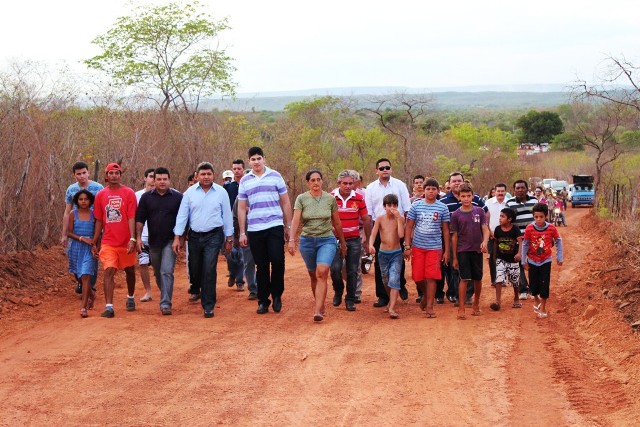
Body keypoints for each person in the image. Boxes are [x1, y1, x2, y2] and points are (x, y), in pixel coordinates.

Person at [173, 162, 233, 318]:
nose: (206, 177)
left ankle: (208, 305)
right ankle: (196, 287)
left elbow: (227, 216)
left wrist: (229, 238)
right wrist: (177, 236)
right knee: (195, 268)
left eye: (209, 174)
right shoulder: (189, 193)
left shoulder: (221, 192)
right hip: (194, 236)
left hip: (214, 235)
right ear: (197, 176)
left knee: (209, 268)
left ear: (213, 175)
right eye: (203, 174)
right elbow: (182, 216)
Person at [238, 147, 293, 315]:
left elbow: (285, 202)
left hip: (274, 225)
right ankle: (263, 301)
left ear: (264, 159)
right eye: (253, 159)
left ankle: (277, 295)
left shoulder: (276, 176)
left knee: (277, 260)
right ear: (249, 161)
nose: (256, 162)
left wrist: (288, 226)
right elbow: (241, 208)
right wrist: (242, 232)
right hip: (255, 228)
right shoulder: (245, 180)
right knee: (261, 265)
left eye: (259, 158)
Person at [288, 170, 347, 321]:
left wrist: (343, 242)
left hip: (326, 240)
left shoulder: (329, 199)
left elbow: (337, 222)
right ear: (308, 182)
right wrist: (291, 240)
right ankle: (320, 304)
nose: (316, 183)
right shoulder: (301, 199)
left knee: (322, 272)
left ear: (322, 181)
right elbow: (295, 220)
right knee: (313, 275)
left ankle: (317, 311)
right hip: (307, 241)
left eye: (318, 180)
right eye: (312, 180)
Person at [91, 163, 138, 318]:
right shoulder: (100, 195)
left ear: (120, 175)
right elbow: (99, 220)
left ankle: (130, 296)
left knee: (130, 271)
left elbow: (131, 216)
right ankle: (109, 307)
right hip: (108, 242)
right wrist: (95, 241)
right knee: (109, 270)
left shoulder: (129, 193)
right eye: (111, 173)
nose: (114, 176)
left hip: (126, 241)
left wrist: (133, 238)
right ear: (106, 175)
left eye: (117, 173)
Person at [136, 167, 183, 316]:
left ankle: (165, 304)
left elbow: (183, 220)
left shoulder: (178, 197)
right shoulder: (146, 198)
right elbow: (140, 220)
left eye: (165, 179)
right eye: (159, 179)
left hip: (171, 240)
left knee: (166, 271)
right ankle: (166, 293)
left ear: (169, 180)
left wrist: (179, 238)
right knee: (157, 272)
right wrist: (137, 238)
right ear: (153, 180)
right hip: (153, 241)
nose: (162, 182)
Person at [365, 158, 411, 307]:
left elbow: (407, 208)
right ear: (376, 170)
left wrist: (406, 228)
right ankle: (383, 295)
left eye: (387, 167)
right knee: (380, 263)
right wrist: (370, 236)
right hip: (380, 228)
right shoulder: (371, 187)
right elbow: (369, 212)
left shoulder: (400, 185)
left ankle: (400, 284)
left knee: (399, 259)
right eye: (381, 168)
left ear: (391, 169)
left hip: (398, 226)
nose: (385, 170)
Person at [404, 178, 450, 318]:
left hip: (435, 248)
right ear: (423, 191)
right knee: (417, 277)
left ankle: (429, 305)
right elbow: (409, 226)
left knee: (431, 276)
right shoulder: (416, 205)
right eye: (428, 189)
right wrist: (407, 245)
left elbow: (446, 230)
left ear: (438, 191)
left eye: (433, 189)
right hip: (418, 246)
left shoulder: (442, 207)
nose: (431, 191)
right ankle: (425, 294)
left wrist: (447, 251)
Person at [440, 172, 487, 306]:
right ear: (449, 183)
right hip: (456, 241)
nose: (457, 183)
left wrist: (484, 238)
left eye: (459, 180)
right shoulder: (444, 202)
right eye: (454, 181)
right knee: (455, 270)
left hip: (475, 243)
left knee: (474, 275)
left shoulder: (477, 204)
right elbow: (448, 229)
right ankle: (455, 295)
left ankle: (468, 297)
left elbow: (484, 219)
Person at [329, 170, 371, 312]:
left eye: (350, 183)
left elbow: (366, 219)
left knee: (353, 270)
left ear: (354, 184)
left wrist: (367, 239)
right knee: (335, 268)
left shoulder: (359, 198)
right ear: (338, 183)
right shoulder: (330, 197)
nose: (347, 186)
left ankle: (350, 299)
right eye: (344, 183)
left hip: (354, 239)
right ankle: (338, 290)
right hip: (334, 239)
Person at [61, 161, 103, 294]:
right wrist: (64, 234)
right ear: (74, 175)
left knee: (93, 257)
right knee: (74, 258)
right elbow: (67, 212)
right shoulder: (71, 189)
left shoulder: (98, 188)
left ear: (88, 172)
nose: (82, 176)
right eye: (78, 174)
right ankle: (83, 284)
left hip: (94, 227)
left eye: (84, 173)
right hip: (76, 228)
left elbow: (103, 211)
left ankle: (89, 286)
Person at [450, 183, 489, 319]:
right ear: (459, 197)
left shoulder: (479, 211)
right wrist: (454, 257)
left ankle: (476, 304)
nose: (466, 198)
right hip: (463, 250)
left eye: (468, 196)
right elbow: (454, 237)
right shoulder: (456, 214)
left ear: (473, 196)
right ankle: (461, 308)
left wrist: (484, 242)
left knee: (477, 278)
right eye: (463, 196)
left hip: (477, 250)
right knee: (464, 279)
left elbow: (485, 229)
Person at [521, 203, 564, 318]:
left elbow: (558, 240)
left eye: (541, 217)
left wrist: (559, 257)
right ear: (533, 217)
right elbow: (525, 244)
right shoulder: (529, 228)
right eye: (536, 217)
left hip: (546, 260)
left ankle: (543, 308)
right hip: (532, 260)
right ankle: (536, 298)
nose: (539, 220)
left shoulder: (551, 228)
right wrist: (523, 260)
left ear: (546, 216)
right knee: (533, 284)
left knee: (545, 284)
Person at [368, 194, 405, 319]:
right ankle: (391, 299)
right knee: (386, 280)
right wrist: (370, 245)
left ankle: (392, 308)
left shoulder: (400, 219)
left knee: (394, 278)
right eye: (389, 205)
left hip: (396, 253)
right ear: (384, 206)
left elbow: (400, 235)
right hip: (383, 253)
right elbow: (373, 234)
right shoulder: (379, 219)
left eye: (394, 205)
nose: (392, 208)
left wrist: (399, 218)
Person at [67, 189, 98, 318]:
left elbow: (98, 233)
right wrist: (81, 238)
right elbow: (68, 232)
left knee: (86, 275)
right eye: (81, 199)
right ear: (77, 201)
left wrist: (96, 246)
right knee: (77, 274)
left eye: (86, 199)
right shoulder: (73, 214)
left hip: (89, 248)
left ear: (90, 200)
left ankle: (83, 307)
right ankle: (91, 294)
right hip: (75, 247)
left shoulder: (94, 215)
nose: (83, 201)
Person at [505, 179, 537, 300]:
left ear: (527, 189)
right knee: (518, 263)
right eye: (517, 188)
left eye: (522, 188)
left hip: (534, 238)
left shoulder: (534, 201)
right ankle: (523, 289)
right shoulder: (510, 203)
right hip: (517, 239)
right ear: (514, 190)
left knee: (534, 262)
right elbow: (507, 221)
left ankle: (534, 289)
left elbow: (541, 218)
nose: (520, 190)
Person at [489, 208, 522, 311]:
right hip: (501, 258)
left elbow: (520, 242)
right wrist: (494, 256)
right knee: (498, 278)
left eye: (503, 216)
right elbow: (495, 242)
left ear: (509, 219)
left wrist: (519, 253)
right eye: (500, 216)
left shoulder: (515, 229)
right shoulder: (498, 229)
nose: (500, 218)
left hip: (513, 259)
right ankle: (497, 301)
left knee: (514, 280)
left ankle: (516, 298)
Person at [223, 160, 246, 290]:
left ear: (243, 169)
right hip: (229, 223)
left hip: (244, 223)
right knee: (230, 253)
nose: (237, 171)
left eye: (239, 168)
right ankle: (232, 273)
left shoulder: (247, 185)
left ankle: (240, 281)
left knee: (241, 253)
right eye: (234, 169)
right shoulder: (227, 187)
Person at [135, 168, 155, 302]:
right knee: (143, 263)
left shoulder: (163, 195)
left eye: (156, 177)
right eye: (151, 176)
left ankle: (163, 289)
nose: (153, 179)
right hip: (142, 236)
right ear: (145, 178)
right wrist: (134, 237)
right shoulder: (136, 196)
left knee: (158, 266)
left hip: (159, 237)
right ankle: (148, 291)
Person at [485, 183, 509, 287]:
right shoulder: (488, 203)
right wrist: (489, 231)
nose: (500, 193)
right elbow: (485, 219)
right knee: (493, 256)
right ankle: (494, 279)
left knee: (504, 256)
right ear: (495, 191)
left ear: (505, 192)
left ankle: (503, 279)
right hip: (491, 234)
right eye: (498, 191)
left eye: (502, 191)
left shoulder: (509, 203)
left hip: (506, 234)